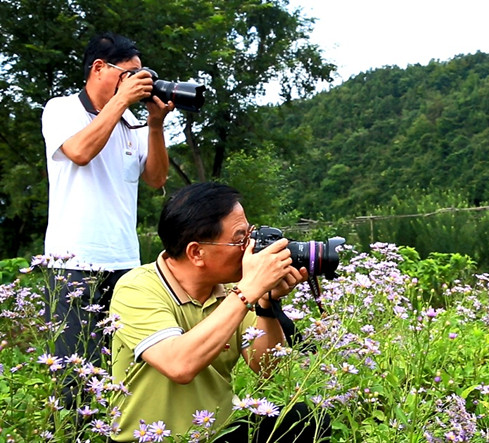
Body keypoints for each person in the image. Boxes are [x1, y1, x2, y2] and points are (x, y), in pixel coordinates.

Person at [109, 182, 330, 442]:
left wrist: (266, 303)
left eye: (251, 235)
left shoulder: (230, 289)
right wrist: (248, 290)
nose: (251, 248)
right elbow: (178, 365)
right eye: (240, 239)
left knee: (306, 419)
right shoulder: (137, 287)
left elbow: (266, 367)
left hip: (217, 434)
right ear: (196, 252)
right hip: (151, 438)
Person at [41, 31, 175, 366]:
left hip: (125, 261)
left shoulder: (131, 122)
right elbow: (79, 152)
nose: (136, 82)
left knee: (124, 368)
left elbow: (156, 179)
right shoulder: (62, 109)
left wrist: (155, 125)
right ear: (99, 67)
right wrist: (121, 102)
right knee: (75, 371)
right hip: (72, 264)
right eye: (129, 74)